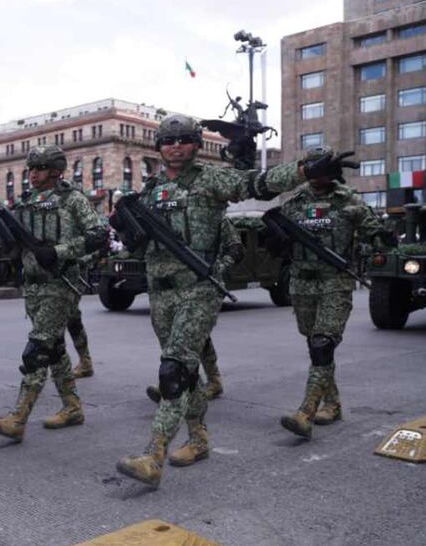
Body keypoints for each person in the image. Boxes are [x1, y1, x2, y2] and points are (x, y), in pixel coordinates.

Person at [113, 114, 355, 489]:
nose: (175, 146)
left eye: (183, 139)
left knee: (173, 369)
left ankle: (153, 454)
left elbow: (254, 183)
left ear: (195, 144)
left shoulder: (211, 178)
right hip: (160, 289)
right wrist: (124, 225)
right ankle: (198, 439)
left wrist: (304, 170)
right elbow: (140, 243)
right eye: (168, 140)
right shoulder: (151, 190)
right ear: (159, 146)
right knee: (186, 371)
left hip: (198, 287)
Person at [0, 145, 106, 443]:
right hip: (34, 285)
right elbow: (13, 244)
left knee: (38, 348)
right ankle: (72, 406)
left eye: (39, 169)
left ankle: (18, 417)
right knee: (53, 348)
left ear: (55, 170)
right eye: (31, 169)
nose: (33, 175)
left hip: (60, 283)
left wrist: (59, 251)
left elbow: (98, 235)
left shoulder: (72, 199)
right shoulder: (25, 203)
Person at [278, 147, 386, 440]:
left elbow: (375, 233)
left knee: (323, 344)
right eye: (311, 167)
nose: (316, 174)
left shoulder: (348, 201)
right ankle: (333, 403)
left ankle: (305, 413)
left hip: (334, 282)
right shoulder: (295, 202)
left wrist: (379, 238)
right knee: (315, 345)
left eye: (321, 167)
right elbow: (279, 235)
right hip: (301, 284)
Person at [144, 217, 244, 403]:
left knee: (191, 334)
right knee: (180, 335)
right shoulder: (177, 216)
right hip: (179, 285)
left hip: (206, 285)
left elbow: (236, 248)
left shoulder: (215, 217)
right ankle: (178, 379)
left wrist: (216, 269)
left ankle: (204, 383)